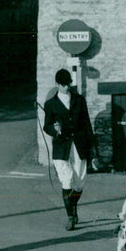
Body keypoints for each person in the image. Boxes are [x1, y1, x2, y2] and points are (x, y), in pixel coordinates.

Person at [43, 68, 95, 231]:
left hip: (79, 146)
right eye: (64, 85)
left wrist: (93, 150)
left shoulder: (79, 100)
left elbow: (87, 124)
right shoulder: (50, 104)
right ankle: (70, 217)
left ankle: (72, 206)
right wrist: (54, 129)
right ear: (57, 84)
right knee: (67, 180)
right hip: (61, 147)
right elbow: (46, 126)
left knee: (79, 182)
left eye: (69, 84)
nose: (67, 87)